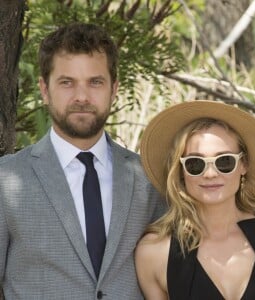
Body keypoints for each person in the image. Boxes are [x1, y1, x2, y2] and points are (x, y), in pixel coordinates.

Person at [0, 23, 164, 299]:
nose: (81, 97)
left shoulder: (148, 179)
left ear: (114, 89)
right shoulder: (6, 181)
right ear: (44, 89)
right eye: (67, 82)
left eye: (95, 82)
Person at [135, 100, 255, 300]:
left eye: (225, 161)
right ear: (180, 171)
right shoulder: (154, 253)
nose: (211, 174)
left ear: (243, 165)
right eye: (196, 163)